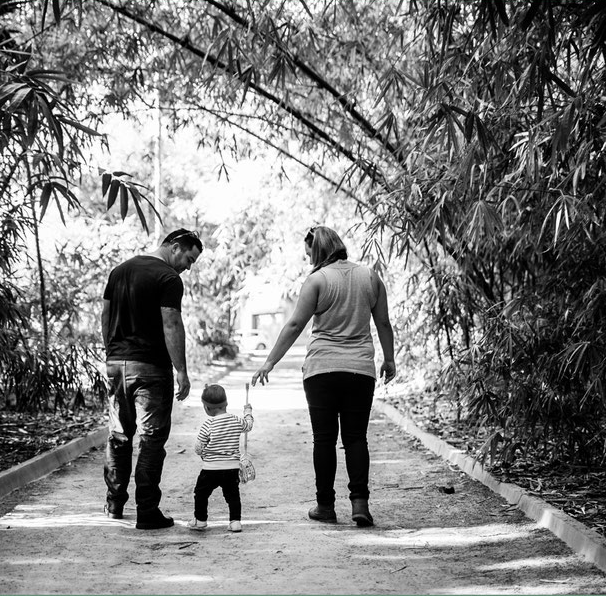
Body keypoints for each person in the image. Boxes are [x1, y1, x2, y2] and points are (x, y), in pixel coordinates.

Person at [251, 226, 395, 527]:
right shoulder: (370, 276)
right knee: (356, 438)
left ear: (316, 252)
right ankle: (360, 506)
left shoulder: (316, 280)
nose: (308, 261)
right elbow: (383, 322)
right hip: (360, 370)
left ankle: (325, 507)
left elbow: (294, 326)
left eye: (308, 255)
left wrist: (269, 362)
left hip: (321, 371)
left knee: (324, 440)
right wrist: (389, 359)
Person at [101, 228, 203, 530]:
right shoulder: (168, 278)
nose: (188, 266)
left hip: (117, 366)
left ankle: (114, 504)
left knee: (119, 435)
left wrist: (113, 353)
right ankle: (147, 511)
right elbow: (171, 323)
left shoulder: (119, 271)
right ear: (173, 246)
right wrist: (181, 370)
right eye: (188, 258)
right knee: (150, 440)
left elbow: (105, 315)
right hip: (150, 369)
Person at [188, 384, 254, 533]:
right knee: (232, 496)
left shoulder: (208, 424)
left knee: (201, 494)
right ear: (226, 403)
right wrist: (248, 412)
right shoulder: (236, 420)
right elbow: (248, 426)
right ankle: (235, 522)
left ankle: (200, 520)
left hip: (210, 469)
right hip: (231, 469)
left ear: (206, 408)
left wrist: (203, 453)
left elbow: (198, 448)